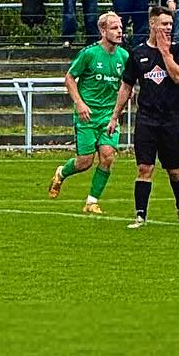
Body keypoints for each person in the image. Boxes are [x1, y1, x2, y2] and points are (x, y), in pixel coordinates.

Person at [107, 6, 179, 228]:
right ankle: (140, 215)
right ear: (153, 24)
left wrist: (165, 53)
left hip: (172, 119)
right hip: (146, 119)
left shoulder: (177, 49)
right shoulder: (138, 53)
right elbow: (126, 86)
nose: (168, 28)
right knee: (145, 168)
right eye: (164, 24)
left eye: (170, 24)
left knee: (174, 171)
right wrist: (115, 116)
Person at [48, 11, 130, 214]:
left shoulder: (124, 56)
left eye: (121, 27)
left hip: (109, 116)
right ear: (103, 30)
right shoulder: (89, 54)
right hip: (87, 115)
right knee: (85, 162)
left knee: (108, 156)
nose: (119, 31)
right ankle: (61, 172)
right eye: (114, 28)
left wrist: (120, 106)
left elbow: (126, 84)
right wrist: (80, 103)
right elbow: (69, 78)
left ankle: (91, 201)